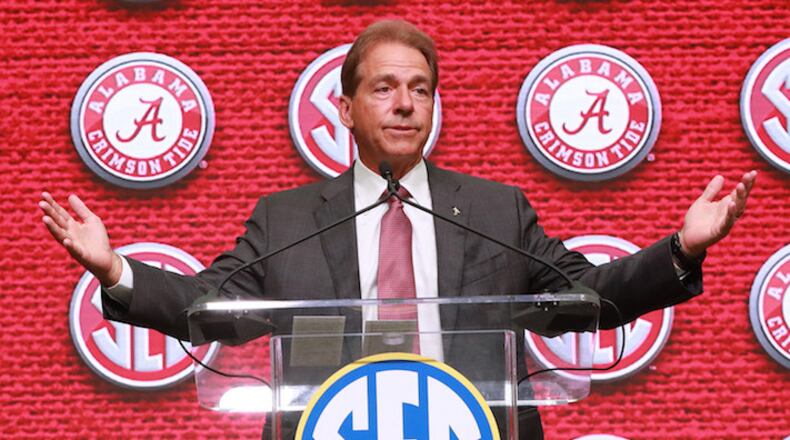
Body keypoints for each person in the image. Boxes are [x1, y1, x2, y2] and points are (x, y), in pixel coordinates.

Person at [40, 19, 756, 440]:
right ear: (346, 108)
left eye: (420, 89)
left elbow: (586, 298)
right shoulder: (287, 218)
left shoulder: (494, 210)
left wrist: (683, 248)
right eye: (383, 88)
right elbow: (207, 309)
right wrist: (115, 272)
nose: (405, 105)